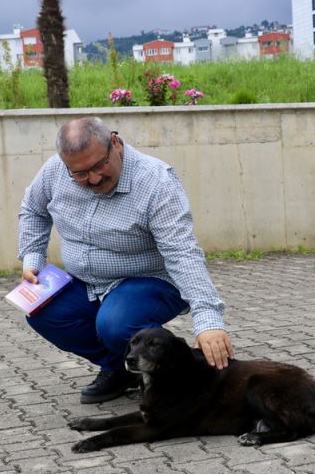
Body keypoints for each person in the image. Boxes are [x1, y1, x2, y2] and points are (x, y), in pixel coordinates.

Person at [18, 116, 234, 403]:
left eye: (99, 166)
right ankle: (120, 368)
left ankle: (176, 370)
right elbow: (33, 210)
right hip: (87, 281)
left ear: (116, 144)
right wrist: (32, 257)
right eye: (80, 174)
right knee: (38, 308)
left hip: (150, 280)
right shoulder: (54, 171)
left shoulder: (156, 182)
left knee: (114, 325)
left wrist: (208, 321)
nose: (93, 179)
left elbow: (183, 253)